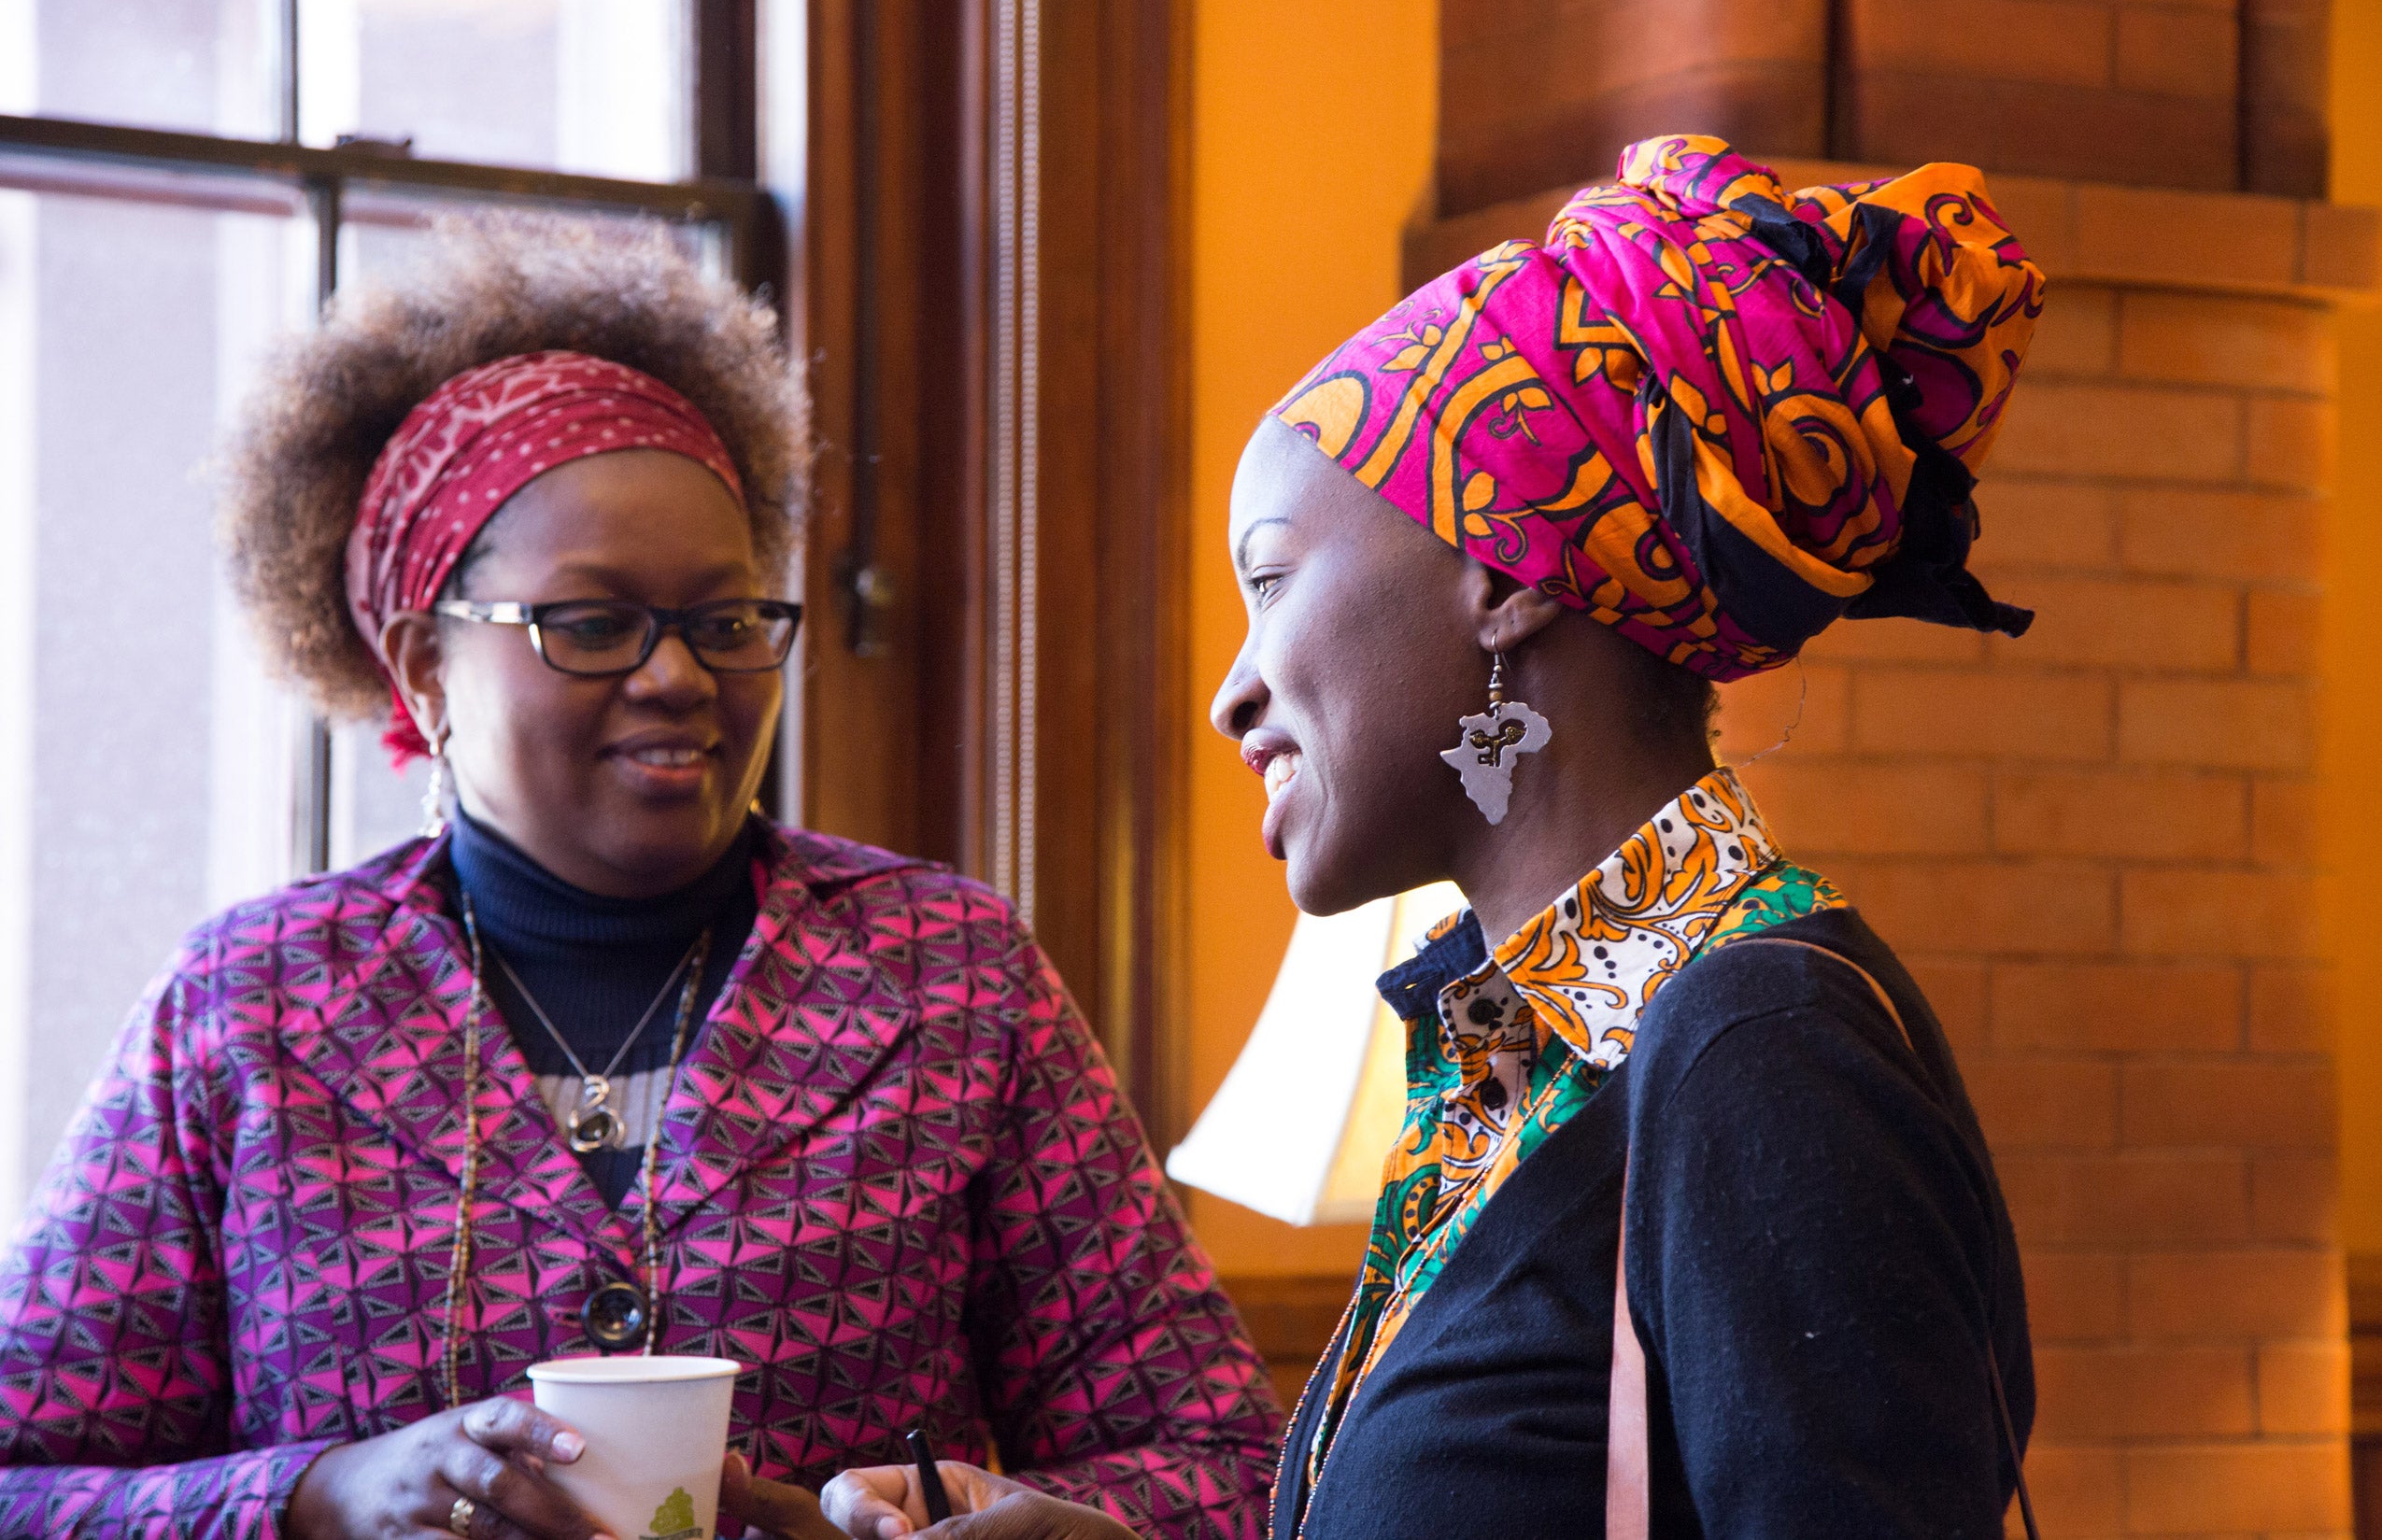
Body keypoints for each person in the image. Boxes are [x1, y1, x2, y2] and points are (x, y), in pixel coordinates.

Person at [826, 134, 2046, 1539]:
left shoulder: (1753, 1045)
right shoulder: (1523, 1042)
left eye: (1271, 580)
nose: (1233, 691)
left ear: (1506, 570)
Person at [0, 217, 1279, 1540]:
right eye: (593, 623)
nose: (677, 677)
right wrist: (320, 1496)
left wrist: (942, 1525)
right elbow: (20, 1482)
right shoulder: (252, 1001)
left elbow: (1221, 1461)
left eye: (724, 623)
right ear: (423, 668)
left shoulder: (946, 971)